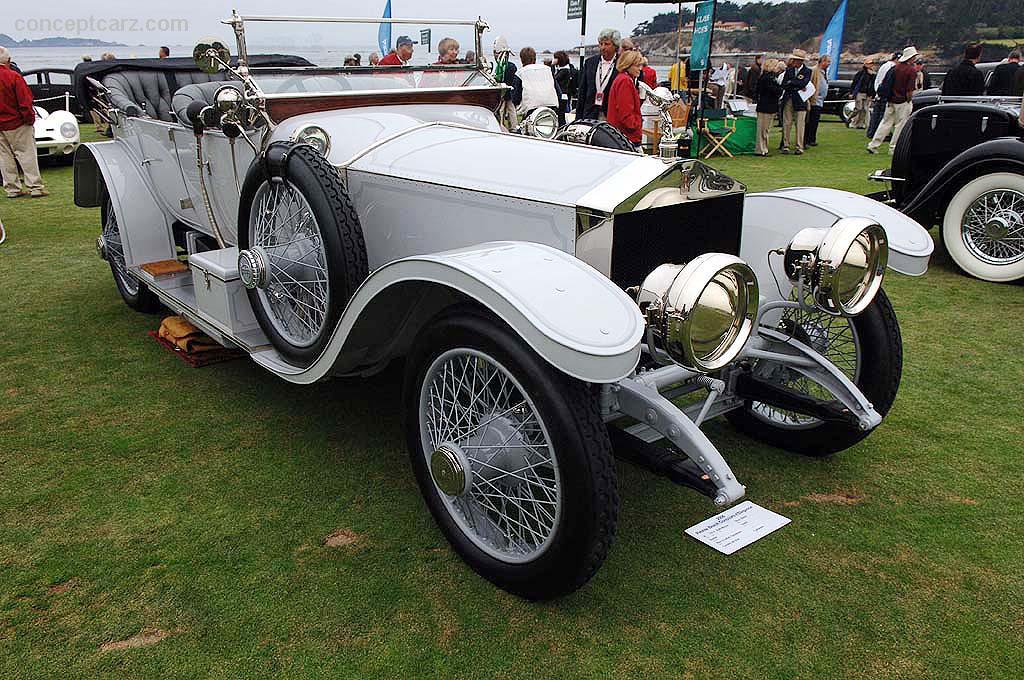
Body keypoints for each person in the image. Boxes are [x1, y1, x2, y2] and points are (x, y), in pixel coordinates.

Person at [0, 48, 47, 198]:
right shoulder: (13, 76)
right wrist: (29, 119)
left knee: (4, 157)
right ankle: (35, 187)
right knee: (26, 154)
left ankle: (12, 188)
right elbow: (25, 101)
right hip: (17, 122)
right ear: (8, 60)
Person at [868, 46, 918, 154]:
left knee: (885, 123)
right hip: (903, 101)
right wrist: (909, 100)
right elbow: (910, 89)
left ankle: (873, 144)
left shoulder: (895, 68)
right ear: (912, 58)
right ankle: (893, 147)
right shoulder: (911, 71)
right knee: (900, 125)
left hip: (891, 100)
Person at [576, 28, 620, 121]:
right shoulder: (590, 62)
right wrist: (578, 119)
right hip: (589, 114)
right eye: (601, 44)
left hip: (611, 115)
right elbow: (582, 92)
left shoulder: (622, 64)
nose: (603, 47)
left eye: (607, 44)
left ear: (615, 46)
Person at [512, 47, 563, 125]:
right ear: (535, 59)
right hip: (552, 107)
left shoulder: (520, 73)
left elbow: (516, 97)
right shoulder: (548, 70)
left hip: (531, 109)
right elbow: (558, 92)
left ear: (521, 59)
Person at [606, 49, 644, 150]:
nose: (640, 69)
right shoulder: (625, 81)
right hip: (626, 137)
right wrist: (636, 125)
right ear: (628, 65)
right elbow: (625, 113)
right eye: (637, 65)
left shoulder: (622, 79)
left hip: (620, 135)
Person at [780, 49, 812, 154]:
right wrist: (796, 84)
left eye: (797, 60)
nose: (794, 61)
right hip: (788, 98)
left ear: (801, 61)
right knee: (787, 122)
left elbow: (804, 83)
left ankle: (799, 146)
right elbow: (784, 84)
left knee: (800, 124)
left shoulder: (807, 71)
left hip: (800, 100)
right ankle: (786, 145)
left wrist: (792, 83)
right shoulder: (789, 70)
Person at [754, 58, 784, 157]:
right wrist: (780, 89)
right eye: (776, 66)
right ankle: (760, 149)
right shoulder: (766, 78)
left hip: (769, 106)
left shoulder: (770, 77)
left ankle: (764, 148)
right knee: (763, 129)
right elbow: (774, 90)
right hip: (765, 106)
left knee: (766, 129)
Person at [867, 52, 898, 139]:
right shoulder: (892, 67)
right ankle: (881, 135)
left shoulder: (884, 66)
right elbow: (888, 82)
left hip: (879, 92)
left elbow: (878, 80)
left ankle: (871, 132)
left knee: (875, 115)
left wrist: (877, 92)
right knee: (883, 116)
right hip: (885, 94)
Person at [492, 36, 519, 127]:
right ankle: (513, 127)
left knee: (502, 110)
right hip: (509, 92)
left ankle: (502, 126)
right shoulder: (511, 66)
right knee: (511, 111)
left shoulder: (505, 67)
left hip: (504, 93)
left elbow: (499, 78)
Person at [804, 54, 829, 147]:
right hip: (814, 100)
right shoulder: (814, 70)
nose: (829, 63)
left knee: (815, 120)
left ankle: (812, 138)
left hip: (820, 100)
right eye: (827, 61)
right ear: (822, 62)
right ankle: (807, 139)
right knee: (810, 121)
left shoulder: (824, 72)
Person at [849, 58, 876, 129]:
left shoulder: (873, 74)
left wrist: (872, 95)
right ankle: (851, 120)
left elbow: (873, 85)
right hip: (859, 93)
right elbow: (855, 83)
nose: (870, 65)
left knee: (864, 109)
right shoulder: (861, 73)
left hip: (867, 94)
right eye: (869, 63)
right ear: (865, 64)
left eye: (871, 64)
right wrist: (851, 92)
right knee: (858, 108)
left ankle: (860, 124)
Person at [551, 50, 577, 116]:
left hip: (563, 94)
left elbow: (553, 79)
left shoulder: (564, 71)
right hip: (565, 94)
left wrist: (552, 66)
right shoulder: (564, 69)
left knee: (565, 112)